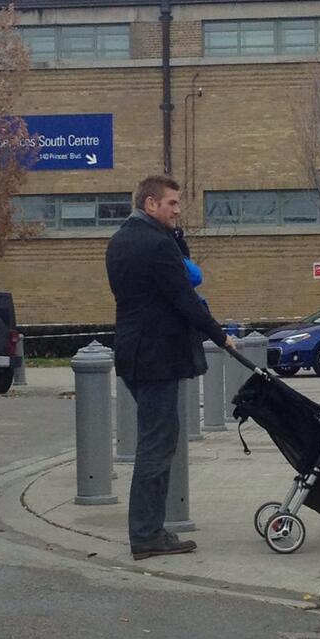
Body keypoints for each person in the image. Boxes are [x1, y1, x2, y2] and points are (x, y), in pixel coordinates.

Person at [105, 175, 235, 560]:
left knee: (155, 441)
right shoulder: (156, 246)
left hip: (131, 353)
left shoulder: (120, 241)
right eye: (173, 204)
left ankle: (149, 530)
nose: (179, 210)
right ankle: (146, 535)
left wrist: (176, 236)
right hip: (157, 356)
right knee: (156, 447)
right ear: (150, 204)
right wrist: (220, 336)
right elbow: (186, 299)